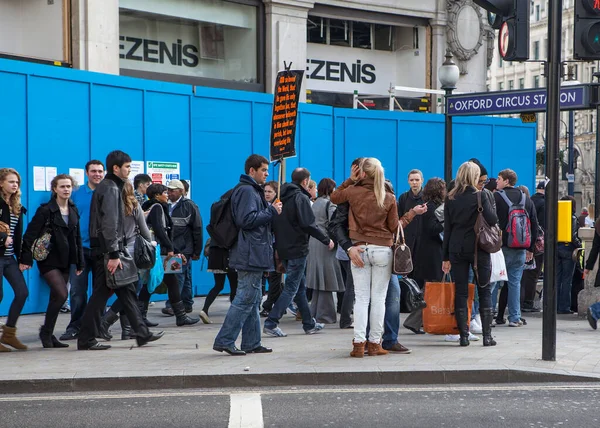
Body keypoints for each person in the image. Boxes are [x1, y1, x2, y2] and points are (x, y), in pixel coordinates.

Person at [77, 150, 164, 351]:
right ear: (116, 168)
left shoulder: (112, 186)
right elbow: (110, 223)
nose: (129, 171)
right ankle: (86, 338)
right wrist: (114, 254)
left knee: (127, 291)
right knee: (102, 295)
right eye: (127, 167)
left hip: (108, 249)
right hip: (108, 252)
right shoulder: (110, 189)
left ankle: (141, 333)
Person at [213, 154, 281, 356]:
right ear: (252, 171)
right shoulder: (247, 191)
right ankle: (225, 340)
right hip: (249, 253)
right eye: (263, 170)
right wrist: (271, 211)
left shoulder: (250, 190)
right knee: (245, 298)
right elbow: (246, 220)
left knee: (253, 298)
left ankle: (251, 342)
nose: (267, 174)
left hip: (252, 252)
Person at [331, 158, 398, 357]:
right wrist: (410, 215)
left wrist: (349, 180)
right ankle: (375, 343)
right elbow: (395, 227)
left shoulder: (352, 191)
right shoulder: (388, 196)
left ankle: (359, 344)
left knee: (361, 299)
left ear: (362, 173)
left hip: (359, 249)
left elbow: (334, 197)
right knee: (379, 299)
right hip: (382, 250)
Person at [264, 168, 333, 338]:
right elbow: (308, 224)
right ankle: (271, 322)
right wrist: (326, 239)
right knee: (292, 288)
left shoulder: (281, 196)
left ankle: (309, 324)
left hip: (284, 249)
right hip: (297, 249)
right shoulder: (300, 198)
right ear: (305, 182)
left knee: (300, 287)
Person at [22, 174, 84, 348]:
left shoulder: (73, 209)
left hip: (66, 260)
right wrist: (25, 258)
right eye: (62, 186)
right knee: (63, 294)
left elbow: (77, 237)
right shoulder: (45, 210)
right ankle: (46, 332)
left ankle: (48, 334)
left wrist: (80, 262)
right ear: (54, 189)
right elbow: (30, 234)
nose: (66, 189)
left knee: (55, 297)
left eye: (68, 186)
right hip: (48, 259)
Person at [442, 161, 499, 347]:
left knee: (461, 292)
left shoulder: (450, 197)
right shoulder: (481, 196)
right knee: (484, 290)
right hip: (478, 249)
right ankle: (487, 336)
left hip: (456, 248)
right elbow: (492, 220)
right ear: (475, 177)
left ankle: (464, 336)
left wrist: (445, 257)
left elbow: (448, 229)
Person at [98, 180, 157, 340]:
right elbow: (144, 230)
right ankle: (106, 323)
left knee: (127, 291)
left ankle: (128, 330)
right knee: (130, 292)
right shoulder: (134, 205)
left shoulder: (110, 207)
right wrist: (151, 243)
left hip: (114, 252)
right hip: (132, 254)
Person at [58, 160, 105, 341]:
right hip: (80, 250)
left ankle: (97, 326)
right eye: (93, 171)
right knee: (77, 291)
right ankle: (75, 325)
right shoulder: (76, 194)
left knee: (100, 291)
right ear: (87, 173)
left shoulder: (108, 193)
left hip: (102, 250)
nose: (97, 174)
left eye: (100, 171)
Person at [141, 183, 200, 326]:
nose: (167, 195)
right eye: (165, 193)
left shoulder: (150, 207)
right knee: (157, 283)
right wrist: (170, 248)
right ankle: (179, 316)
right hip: (161, 252)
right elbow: (160, 230)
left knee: (162, 282)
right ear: (157, 195)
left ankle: (144, 316)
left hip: (161, 251)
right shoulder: (157, 208)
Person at [494, 169, 538, 328]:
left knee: (494, 281)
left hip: (500, 247)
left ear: (506, 181)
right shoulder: (526, 199)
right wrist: (530, 248)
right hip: (520, 247)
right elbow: (534, 224)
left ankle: (490, 314)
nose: (497, 182)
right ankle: (514, 317)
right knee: (514, 283)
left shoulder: (496, 197)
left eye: (499, 179)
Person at [404, 177, 446, 335]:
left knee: (429, 289)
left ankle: (417, 320)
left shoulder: (428, 205)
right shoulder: (432, 207)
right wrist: (445, 222)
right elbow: (432, 229)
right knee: (431, 289)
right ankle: (413, 321)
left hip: (427, 251)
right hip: (432, 253)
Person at [306, 178, 344, 324]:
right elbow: (333, 223)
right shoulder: (330, 203)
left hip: (314, 242)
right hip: (326, 242)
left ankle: (315, 312)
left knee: (318, 279)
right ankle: (326, 315)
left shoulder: (315, 203)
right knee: (326, 279)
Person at [161, 179, 203, 315]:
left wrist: (197, 250)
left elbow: (197, 229)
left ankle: (172, 305)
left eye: (172, 190)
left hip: (183, 249)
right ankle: (187, 303)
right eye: (168, 190)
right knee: (185, 277)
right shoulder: (166, 206)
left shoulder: (189, 206)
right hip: (172, 248)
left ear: (181, 191)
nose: (169, 192)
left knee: (176, 277)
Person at [0, 168, 29, 351]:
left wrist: (23, 258)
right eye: (11, 181)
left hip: (9, 257)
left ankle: (9, 334)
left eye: (17, 182)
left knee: (22, 293)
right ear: (1, 183)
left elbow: (19, 236)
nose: (15, 185)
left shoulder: (16, 205)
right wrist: (3, 238)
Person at [521, 181, 546, 313]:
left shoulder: (529, 202)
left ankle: (520, 300)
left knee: (523, 273)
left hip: (521, 240)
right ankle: (528, 302)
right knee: (533, 273)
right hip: (537, 243)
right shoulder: (544, 203)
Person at [200, 240, 238, 324]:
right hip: (227, 255)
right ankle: (234, 314)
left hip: (215, 254)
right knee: (234, 286)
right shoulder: (231, 227)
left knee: (218, 285)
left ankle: (204, 310)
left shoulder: (215, 226)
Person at [260, 181, 283, 317]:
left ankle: (268, 305)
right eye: (265, 191)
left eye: (270, 192)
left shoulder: (278, 207)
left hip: (276, 246)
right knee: (271, 277)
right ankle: (282, 304)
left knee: (275, 276)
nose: (267, 194)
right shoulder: (263, 205)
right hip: (265, 246)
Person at [556, 195, 580, 314]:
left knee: (557, 278)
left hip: (556, 248)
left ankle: (554, 305)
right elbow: (573, 235)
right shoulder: (572, 218)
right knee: (567, 280)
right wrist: (579, 245)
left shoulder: (555, 215)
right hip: (568, 249)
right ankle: (564, 307)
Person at [397, 169, 424, 255]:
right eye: (412, 180)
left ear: (422, 181)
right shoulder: (403, 198)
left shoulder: (427, 197)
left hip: (423, 240)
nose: (414, 182)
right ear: (408, 181)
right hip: (407, 239)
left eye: (417, 180)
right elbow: (399, 217)